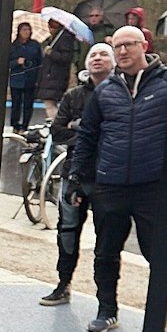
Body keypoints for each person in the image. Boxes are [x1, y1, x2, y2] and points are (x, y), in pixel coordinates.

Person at [67, 28, 167, 332]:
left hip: (152, 186)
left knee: (159, 256)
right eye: (117, 47)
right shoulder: (105, 90)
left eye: (128, 45)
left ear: (144, 46)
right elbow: (87, 136)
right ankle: (107, 310)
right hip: (110, 185)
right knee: (105, 252)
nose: (123, 51)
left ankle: (158, 320)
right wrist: (76, 176)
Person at [40, 42, 114, 307]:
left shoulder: (122, 93)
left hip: (108, 177)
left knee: (107, 240)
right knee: (67, 231)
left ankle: (106, 301)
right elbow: (57, 132)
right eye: (93, 54)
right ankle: (63, 283)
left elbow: (117, 135)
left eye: (104, 54)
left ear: (113, 62)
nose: (97, 59)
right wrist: (90, 132)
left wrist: (79, 127)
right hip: (75, 173)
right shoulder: (73, 96)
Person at [37, 20, 79, 123]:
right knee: (51, 103)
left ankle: (56, 124)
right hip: (50, 76)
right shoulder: (55, 39)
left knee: (49, 104)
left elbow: (65, 58)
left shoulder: (64, 38)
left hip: (55, 76)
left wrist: (51, 53)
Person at [8, 21, 44, 129]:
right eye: (24, 30)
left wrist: (39, 77)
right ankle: (15, 125)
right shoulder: (13, 46)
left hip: (30, 78)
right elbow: (6, 63)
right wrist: (16, 62)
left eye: (28, 29)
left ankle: (25, 125)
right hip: (16, 78)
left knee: (28, 104)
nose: (26, 32)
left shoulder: (35, 45)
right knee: (16, 104)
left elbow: (40, 62)